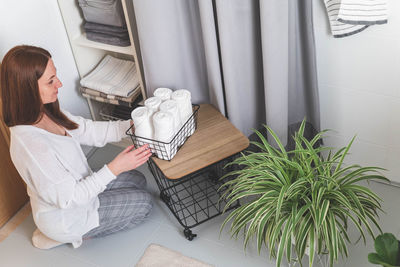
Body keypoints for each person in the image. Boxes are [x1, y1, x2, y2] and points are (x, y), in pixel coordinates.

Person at [0, 45, 153, 249]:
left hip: (82, 191)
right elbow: (70, 198)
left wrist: (131, 126)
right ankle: (61, 236)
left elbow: (89, 131)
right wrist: (115, 167)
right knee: (144, 204)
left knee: (138, 180)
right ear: (27, 89)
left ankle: (78, 222)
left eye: (56, 76)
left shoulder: (44, 111)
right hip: (68, 216)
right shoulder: (31, 146)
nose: (59, 84)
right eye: (50, 81)